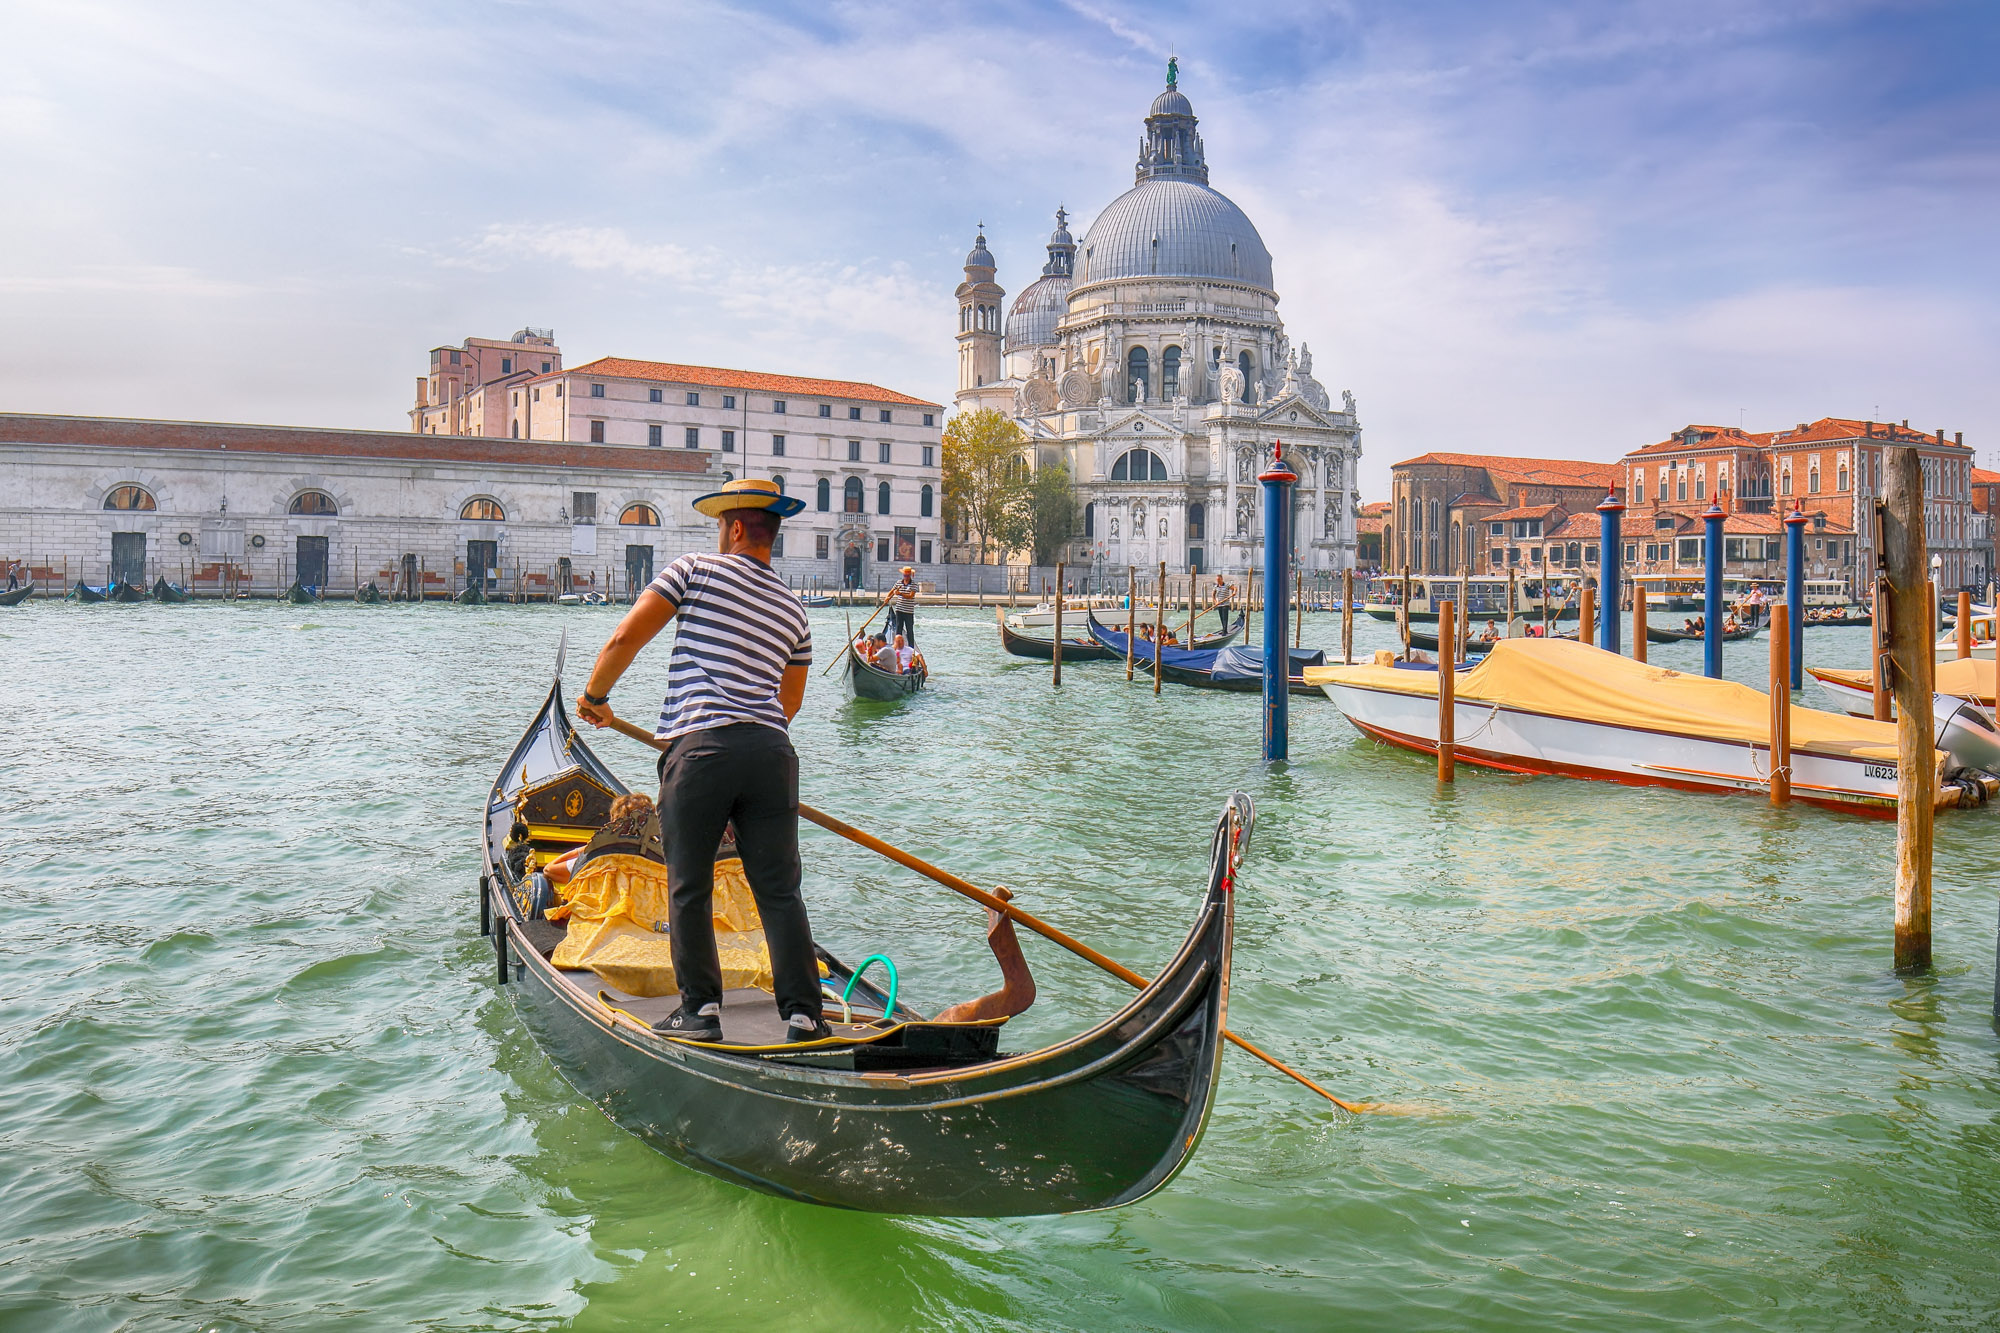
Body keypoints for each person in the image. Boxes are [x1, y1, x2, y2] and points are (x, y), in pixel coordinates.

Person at [574, 476, 825, 1044]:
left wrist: (595, 697)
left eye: (720, 527)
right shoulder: (794, 608)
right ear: (771, 534)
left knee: (689, 883)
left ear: (735, 527)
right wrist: (750, 743)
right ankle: (805, 1014)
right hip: (771, 753)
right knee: (779, 890)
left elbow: (623, 640)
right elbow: (790, 702)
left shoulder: (694, 570)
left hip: (701, 749)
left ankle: (701, 1011)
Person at [542, 793, 661, 887]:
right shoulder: (663, 857)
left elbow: (549, 870)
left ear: (615, 822)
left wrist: (586, 848)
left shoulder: (597, 856)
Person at [882, 566, 919, 645]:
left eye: (907, 576)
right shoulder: (898, 582)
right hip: (899, 609)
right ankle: (897, 646)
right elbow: (892, 591)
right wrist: (887, 597)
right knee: (898, 629)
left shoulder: (914, 585)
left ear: (910, 575)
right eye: (905, 575)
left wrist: (900, 593)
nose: (906, 577)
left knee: (909, 630)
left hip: (908, 611)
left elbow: (910, 596)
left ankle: (911, 648)